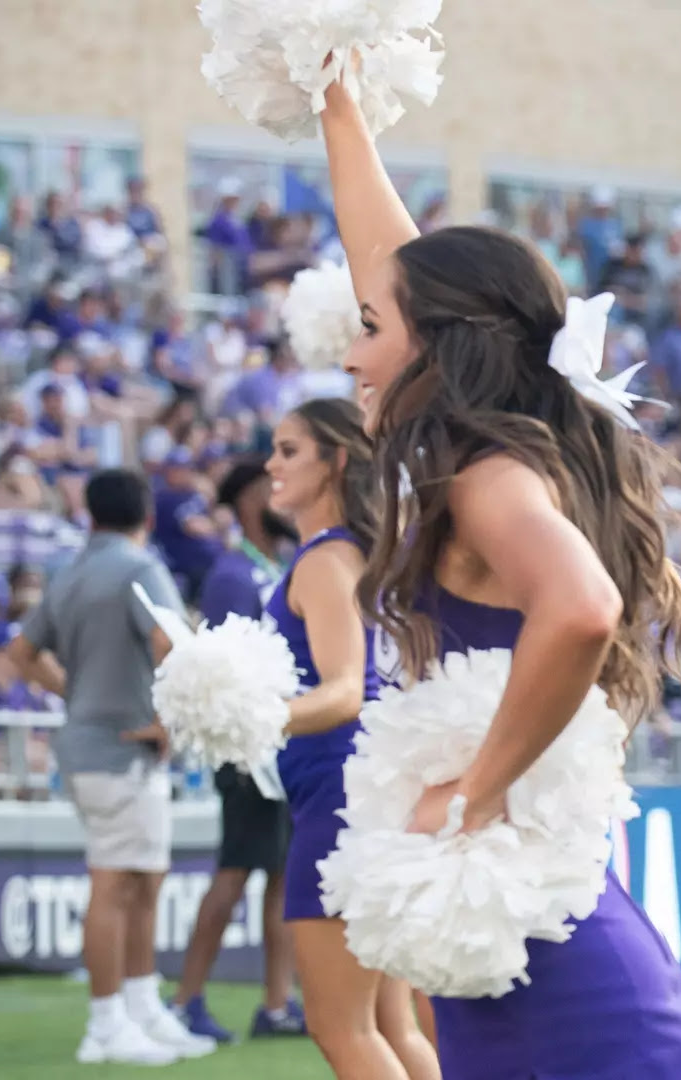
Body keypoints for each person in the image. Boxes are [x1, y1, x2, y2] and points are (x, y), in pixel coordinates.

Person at [320, 72, 681, 1079]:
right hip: (516, 947)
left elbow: (583, 607)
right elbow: (392, 263)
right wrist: (335, 97)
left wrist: (472, 790)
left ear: (441, 344)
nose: (350, 355)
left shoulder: (488, 475)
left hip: (572, 988)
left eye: (369, 330)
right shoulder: (497, 454)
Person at [4, 468, 217, 1066]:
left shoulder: (68, 575)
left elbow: (20, 651)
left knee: (142, 880)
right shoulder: (140, 568)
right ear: (147, 517)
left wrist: (75, 696)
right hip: (121, 748)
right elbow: (174, 642)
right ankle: (105, 1024)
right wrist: (169, 718)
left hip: (93, 744)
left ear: (91, 516)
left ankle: (141, 1005)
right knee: (116, 881)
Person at [260, 399, 439, 1079]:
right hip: (362, 788)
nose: (271, 465)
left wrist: (251, 714)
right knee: (393, 1024)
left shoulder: (325, 559)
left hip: (337, 796)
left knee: (342, 1028)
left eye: (287, 450)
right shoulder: (357, 553)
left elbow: (342, 690)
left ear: (335, 460)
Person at [169, 457, 305, 1043]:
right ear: (252, 501)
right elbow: (231, 669)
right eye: (272, 490)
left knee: (280, 875)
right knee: (234, 870)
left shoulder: (274, 566)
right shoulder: (233, 574)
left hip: (283, 741)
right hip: (250, 749)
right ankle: (186, 997)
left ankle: (276, 1004)